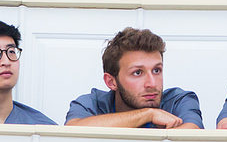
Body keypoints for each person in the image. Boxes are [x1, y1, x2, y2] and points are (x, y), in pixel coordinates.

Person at [64, 27, 202, 128]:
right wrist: (148, 114)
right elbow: (72, 129)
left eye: (156, 70)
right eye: (137, 73)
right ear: (111, 82)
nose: (152, 84)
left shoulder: (179, 100)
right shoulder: (92, 103)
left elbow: (191, 136)